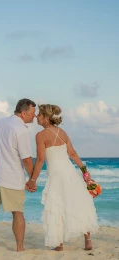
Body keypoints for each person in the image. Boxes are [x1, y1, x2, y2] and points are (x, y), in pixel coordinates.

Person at [27, 104, 99, 251]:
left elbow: (40, 160)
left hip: (56, 176)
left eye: (39, 115)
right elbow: (72, 153)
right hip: (70, 173)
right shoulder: (62, 132)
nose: (36, 117)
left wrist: (32, 180)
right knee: (79, 204)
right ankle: (88, 241)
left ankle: (59, 244)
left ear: (46, 118)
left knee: (57, 206)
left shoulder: (40, 136)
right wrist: (84, 172)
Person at [0, 98, 37, 252]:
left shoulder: (0, 122)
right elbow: (26, 159)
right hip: (11, 176)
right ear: (24, 112)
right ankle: (20, 247)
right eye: (32, 113)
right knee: (17, 212)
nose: (34, 116)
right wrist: (32, 179)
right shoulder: (21, 129)